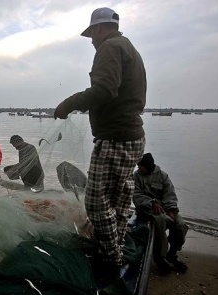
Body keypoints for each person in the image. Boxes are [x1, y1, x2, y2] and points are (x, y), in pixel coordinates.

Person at [53, 7, 147, 280]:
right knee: (118, 199)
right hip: (132, 136)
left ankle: (109, 258)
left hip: (115, 138)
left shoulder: (109, 47)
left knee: (95, 203)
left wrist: (68, 104)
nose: (92, 40)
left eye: (92, 34)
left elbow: (105, 89)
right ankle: (115, 248)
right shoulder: (129, 47)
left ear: (99, 29)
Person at [133, 153, 188, 274]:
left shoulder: (162, 176)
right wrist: (152, 203)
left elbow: (170, 194)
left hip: (165, 208)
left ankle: (172, 254)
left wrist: (171, 210)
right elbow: (136, 195)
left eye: (140, 165)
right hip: (147, 208)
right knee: (160, 221)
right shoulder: (137, 176)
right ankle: (159, 257)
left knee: (180, 224)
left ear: (147, 166)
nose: (138, 168)